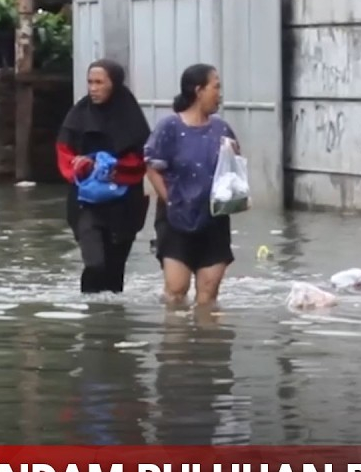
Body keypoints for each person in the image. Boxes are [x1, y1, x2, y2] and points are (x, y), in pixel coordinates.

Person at [144, 63, 240, 305]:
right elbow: (152, 166)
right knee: (176, 291)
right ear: (199, 91)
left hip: (214, 219)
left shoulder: (222, 128)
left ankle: (207, 341)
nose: (219, 94)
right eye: (215, 87)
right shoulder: (170, 128)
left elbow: (233, 169)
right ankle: (177, 341)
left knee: (208, 295)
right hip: (177, 219)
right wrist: (169, 199)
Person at [56, 59, 151, 294]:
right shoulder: (78, 115)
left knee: (114, 273)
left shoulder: (131, 118)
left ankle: (110, 327)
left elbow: (143, 158)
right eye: (90, 82)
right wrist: (84, 166)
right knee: (95, 264)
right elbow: (64, 154)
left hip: (125, 204)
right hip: (86, 203)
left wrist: (110, 166)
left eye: (99, 82)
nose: (93, 88)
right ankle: (89, 316)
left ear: (114, 84)